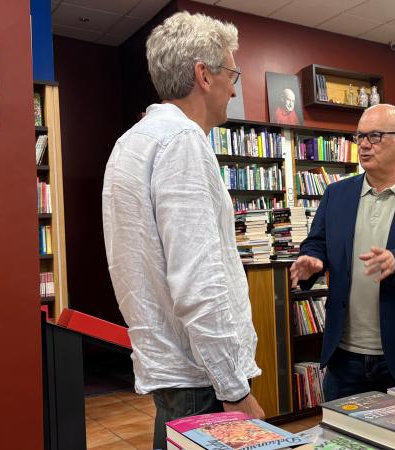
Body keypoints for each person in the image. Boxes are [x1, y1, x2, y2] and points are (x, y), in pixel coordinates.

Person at [101, 11, 263, 449]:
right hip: (202, 381)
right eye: (232, 72)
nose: (234, 86)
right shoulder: (183, 142)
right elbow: (200, 282)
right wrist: (236, 388)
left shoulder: (131, 142)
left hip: (173, 373)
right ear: (203, 76)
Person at [290, 104, 395, 401]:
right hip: (345, 358)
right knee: (343, 444)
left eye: (375, 136)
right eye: (359, 137)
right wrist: (313, 260)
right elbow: (317, 242)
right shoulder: (337, 194)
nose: (364, 145)